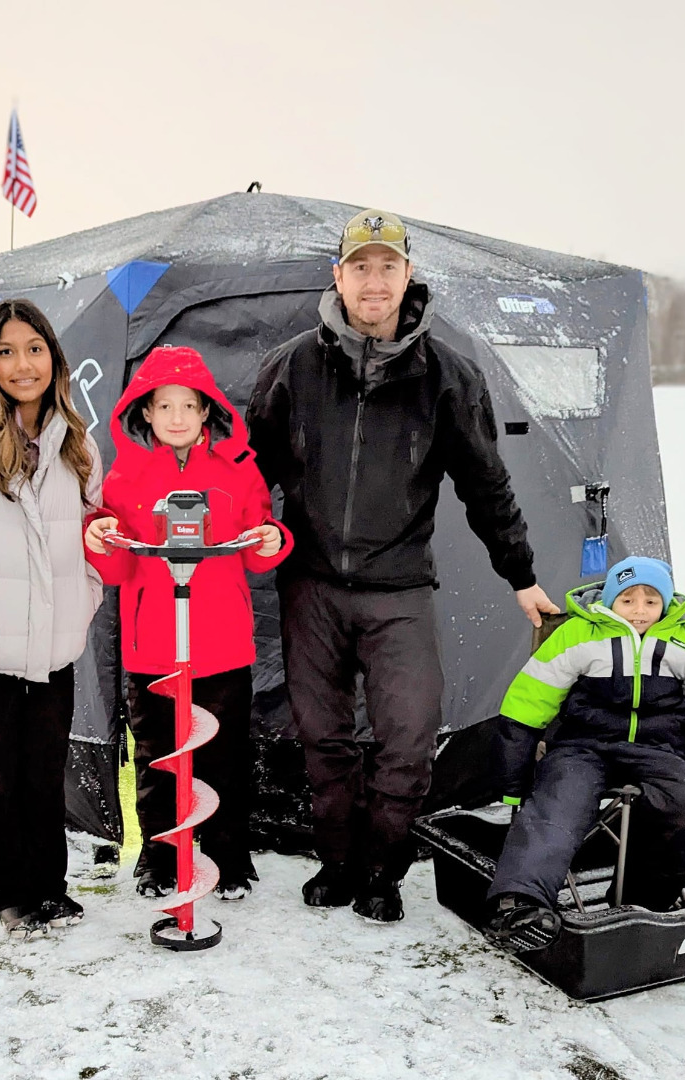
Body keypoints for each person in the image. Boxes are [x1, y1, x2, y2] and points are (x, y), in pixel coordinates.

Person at [246, 208, 558, 922]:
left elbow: (486, 484)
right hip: (311, 587)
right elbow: (247, 469)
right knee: (322, 741)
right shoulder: (292, 365)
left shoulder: (446, 374)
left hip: (400, 591)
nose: (374, 280)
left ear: (408, 274)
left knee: (409, 737)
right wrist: (241, 528)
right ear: (338, 276)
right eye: (360, 266)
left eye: (387, 265)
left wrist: (521, 575)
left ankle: (382, 870)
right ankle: (337, 863)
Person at [84, 345, 293, 900]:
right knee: (157, 759)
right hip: (150, 645)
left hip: (221, 646)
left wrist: (274, 538)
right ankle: (158, 857)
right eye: (164, 405)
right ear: (145, 413)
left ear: (207, 412)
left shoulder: (237, 474)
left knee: (223, 758)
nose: (177, 417)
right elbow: (117, 564)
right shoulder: (125, 477)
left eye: (188, 405)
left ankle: (229, 854)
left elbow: (258, 547)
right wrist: (100, 536)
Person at [0, 298, 103, 940]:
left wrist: (84, 595)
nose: (21, 363)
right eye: (5, 351)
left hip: (55, 640)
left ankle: (51, 887)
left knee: (45, 771)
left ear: (53, 358)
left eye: (33, 348)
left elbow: (97, 534)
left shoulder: (77, 441)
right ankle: (11, 893)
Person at [485, 556, 685, 945]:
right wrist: (513, 779)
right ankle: (522, 903)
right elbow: (528, 700)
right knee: (559, 803)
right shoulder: (579, 634)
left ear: (666, 604)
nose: (639, 610)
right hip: (583, 746)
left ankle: (645, 904)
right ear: (610, 600)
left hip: (661, 751)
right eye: (628, 600)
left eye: (651, 601)